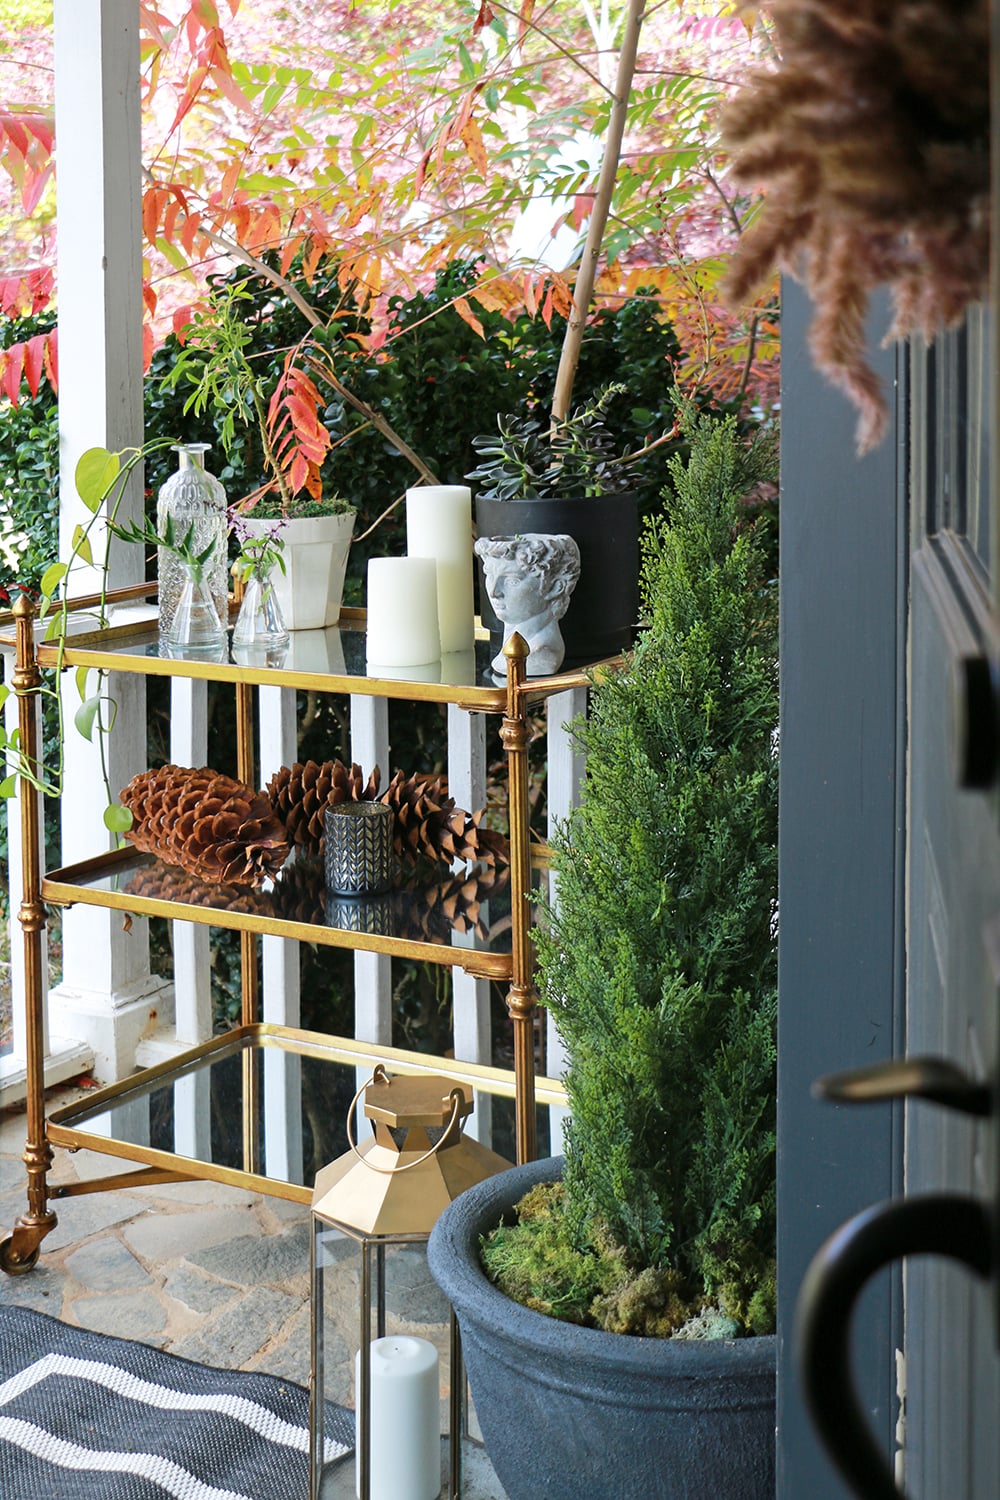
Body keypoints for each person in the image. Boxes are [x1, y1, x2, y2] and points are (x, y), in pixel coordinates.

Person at [474, 532, 581, 676]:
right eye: (490, 575)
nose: (494, 592)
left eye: (512, 581)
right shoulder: (509, 650)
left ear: (556, 587)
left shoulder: (544, 655)